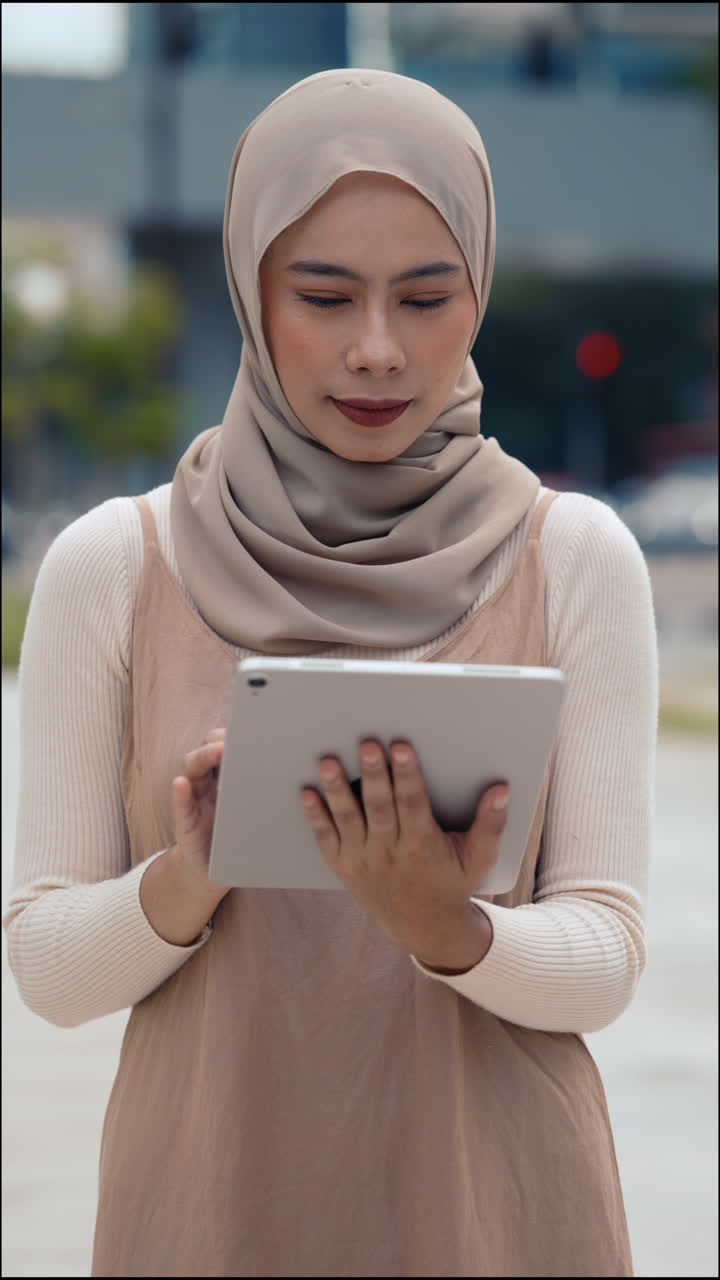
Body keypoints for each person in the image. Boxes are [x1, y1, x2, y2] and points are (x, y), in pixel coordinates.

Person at [4, 68, 658, 1278]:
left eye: (426, 296)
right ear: (253, 289)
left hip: (499, 1215)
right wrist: (194, 871)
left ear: (480, 290)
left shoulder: (572, 557)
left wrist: (447, 926)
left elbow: (609, 955)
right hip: (209, 1206)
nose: (376, 350)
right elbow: (44, 961)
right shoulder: (118, 565)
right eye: (323, 294)